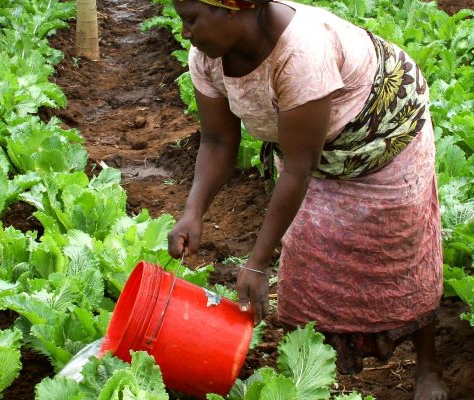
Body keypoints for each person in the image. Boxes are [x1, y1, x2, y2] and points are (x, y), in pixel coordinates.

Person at [165, 0, 447, 399]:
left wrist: (258, 264)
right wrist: (192, 213)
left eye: (191, 20)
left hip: (385, 134)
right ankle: (310, 371)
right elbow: (217, 141)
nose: (185, 33)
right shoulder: (206, 58)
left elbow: (299, 168)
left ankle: (428, 365)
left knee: (400, 249)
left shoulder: (301, 51)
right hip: (310, 148)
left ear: (232, 10)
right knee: (308, 252)